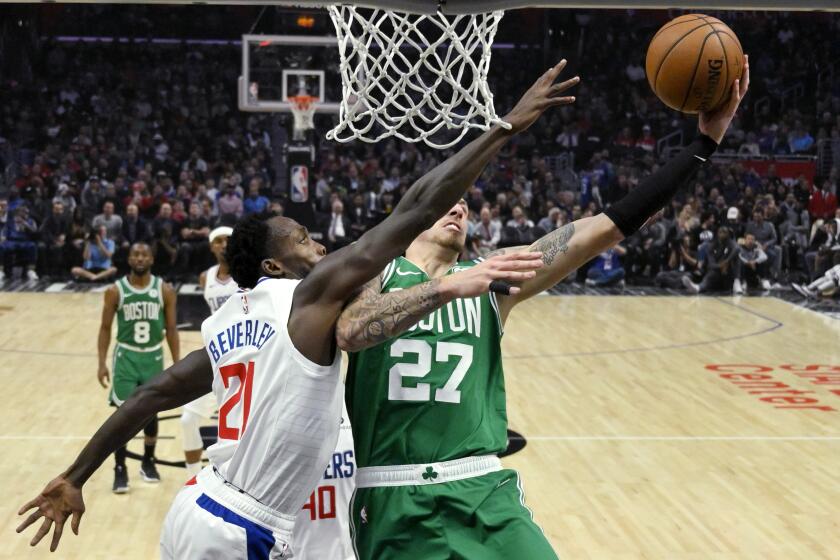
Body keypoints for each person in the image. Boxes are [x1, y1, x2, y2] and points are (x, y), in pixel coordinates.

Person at [16, 62, 573, 558]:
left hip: (197, 509)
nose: (321, 249)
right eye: (305, 241)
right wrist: (504, 128)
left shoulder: (230, 320)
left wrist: (73, 476)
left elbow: (150, 395)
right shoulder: (306, 301)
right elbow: (419, 207)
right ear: (277, 267)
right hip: (244, 528)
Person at [337, 58, 748, 560]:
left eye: (465, 201)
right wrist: (447, 288)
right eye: (447, 200)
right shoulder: (376, 274)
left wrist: (704, 145)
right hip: (391, 493)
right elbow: (352, 331)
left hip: (482, 488)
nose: (461, 206)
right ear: (408, 216)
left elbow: (608, 225)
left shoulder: (496, 280)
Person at [97, 242, 180, 492]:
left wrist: (178, 364)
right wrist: (101, 362)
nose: (140, 258)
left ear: (152, 259)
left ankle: (148, 461)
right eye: (135, 254)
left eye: (144, 254)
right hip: (126, 357)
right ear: (129, 259)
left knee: (151, 413)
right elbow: (104, 328)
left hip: (153, 357)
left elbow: (172, 329)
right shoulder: (115, 291)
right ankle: (120, 467)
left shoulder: (164, 290)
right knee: (123, 415)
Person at [181, 226, 238, 478]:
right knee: (187, 420)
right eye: (218, 241)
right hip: (216, 356)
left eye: (228, 240)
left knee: (238, 428)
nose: (224, 244)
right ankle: (192, 478)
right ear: (211, 246)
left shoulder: (246, 273)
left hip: (244, 358)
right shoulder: (207, 277)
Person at [682, 226, 740, 294]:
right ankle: (698, 288)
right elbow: (711, 264)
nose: (722, 234)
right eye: (720, 232)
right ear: (717, 234)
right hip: (716, 274)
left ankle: (737, 281)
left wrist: (727, 261)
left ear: (728, 234)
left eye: (724, 232)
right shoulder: (711, 246)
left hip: (728, 275)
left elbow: (737, 249)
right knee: (712, 272)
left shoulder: (731, 243)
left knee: (737, 258)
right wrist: (721, 266)